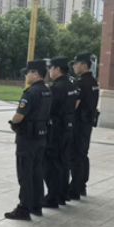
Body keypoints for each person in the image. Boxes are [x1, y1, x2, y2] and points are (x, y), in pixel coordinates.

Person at [5, 60, 53, 221]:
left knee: (25, 174)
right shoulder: (47, 91)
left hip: (27, 138)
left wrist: (13, 123)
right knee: (36, 172)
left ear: (36, 74)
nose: (26, 76)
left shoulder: (31, 93)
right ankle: (36, 206)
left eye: (28, 73)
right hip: (41, 136)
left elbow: (19, 116)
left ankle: (24, 208)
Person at [43, 57, 80, 209]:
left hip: (56, 129)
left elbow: (49, 109)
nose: (49, 72)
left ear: (57, 69)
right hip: (68, 126)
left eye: (51, 68)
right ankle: (63, 194)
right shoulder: (71, 85)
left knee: (52, 164)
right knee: (63, 162)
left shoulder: (57, 88)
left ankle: (53, 196)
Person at [68, 52, 100, 201]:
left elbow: (75, 105)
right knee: (82, 154)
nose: (74, 66)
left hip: (79, 123)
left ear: (84, 65)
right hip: (87, 122)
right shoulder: (93, 82)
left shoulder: (82, 84)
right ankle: (81, 185)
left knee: (75, 155)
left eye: (76, 63)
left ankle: (75, 187)